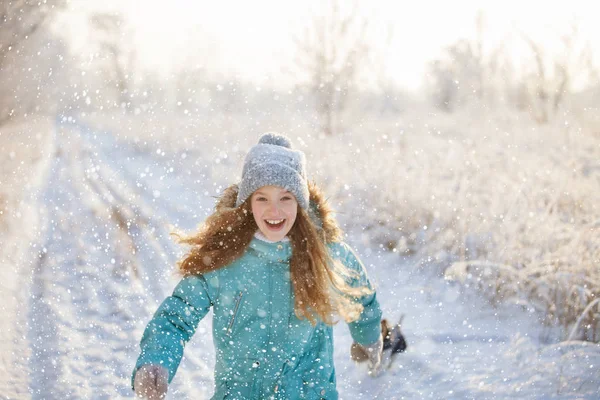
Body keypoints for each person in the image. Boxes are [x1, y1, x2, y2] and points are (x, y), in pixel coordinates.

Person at [132, 133, 385, 399]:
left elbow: (361, 294)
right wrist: (155, 361)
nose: (274, 211)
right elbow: (176, 317)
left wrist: (368, 338)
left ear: (300, 201)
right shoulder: (224, 258)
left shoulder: (325, 252)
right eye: (262, 198)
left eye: (286, 198)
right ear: (248, 203)